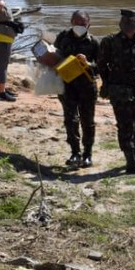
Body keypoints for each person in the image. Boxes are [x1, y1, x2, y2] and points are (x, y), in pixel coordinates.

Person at [97, 9, 135, 174]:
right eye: (124, 22)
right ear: (120, 24)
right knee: (125, 126)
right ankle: (130, 162)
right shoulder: (109, 41)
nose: (127, 26)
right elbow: (101, 65)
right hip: (120, 91)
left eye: (131, 23)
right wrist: (109, 84)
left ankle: (134, 156)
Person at [53, 10, 100, 168]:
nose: (79, 25)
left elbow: (101, 66)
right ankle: (75, 153)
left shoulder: (94, 42)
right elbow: (54, 55)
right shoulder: (62, 37)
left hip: (87, 87)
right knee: (70, 120)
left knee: (88, 121)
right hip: (66, 85)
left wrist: (88, 64)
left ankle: (87, 154)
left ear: (88, 24)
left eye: (83, 23)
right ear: (71, 22)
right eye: (76, 22)